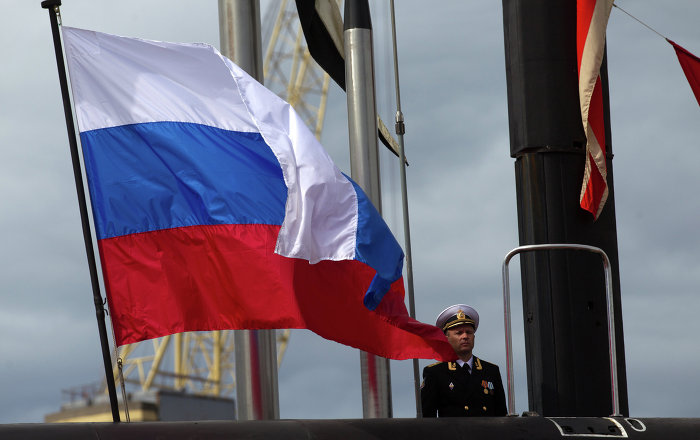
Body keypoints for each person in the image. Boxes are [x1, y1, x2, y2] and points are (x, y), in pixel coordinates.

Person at [421, 304, 507, 417]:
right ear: (446, 338)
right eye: (459, 333)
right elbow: (427, 419)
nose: (465, 336)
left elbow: (501, 415)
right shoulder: (435, 373)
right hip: (453, 429)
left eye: (469, 332)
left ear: (474, 337)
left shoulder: (491, 371)